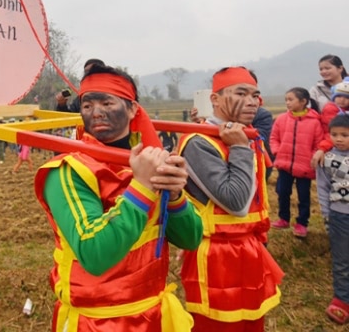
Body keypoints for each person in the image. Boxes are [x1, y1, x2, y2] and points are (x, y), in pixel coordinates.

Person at [34, 64, 203, 331]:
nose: (96, 112)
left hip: (154, 315)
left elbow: (191, 238)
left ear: (133, 108)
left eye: (106, 102)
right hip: (97, 321)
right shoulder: (68, 170)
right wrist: (143, 187)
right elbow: (95, 254)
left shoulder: (151, 159)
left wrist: (175, 196)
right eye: (87, 105)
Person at [178, 66, 284, 331]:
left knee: (250, 323)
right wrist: (238, 148)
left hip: (248, 246)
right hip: (218, 256)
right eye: (241, 93)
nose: (252, 102)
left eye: (255, 95)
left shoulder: (246, 135)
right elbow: (236, 203)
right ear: (215, 99)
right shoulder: (201, 142)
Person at [269, 87, 323, 238]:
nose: (287, 102)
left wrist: (311, 158)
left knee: (304, 196)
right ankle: (283, 218)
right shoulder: (281, 119)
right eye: (286, 99)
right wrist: (277, 151)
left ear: (303, 101)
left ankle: (302, 223)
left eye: (291, 99)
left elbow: (318, 143)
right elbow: (274, 138)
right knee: (282, 192)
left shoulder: (314, 122)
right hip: (284, 164)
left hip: (305, 166)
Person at [316, 114, 349, 325]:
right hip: (340, 216)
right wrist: (327, 214)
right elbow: (322, 188)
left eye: (345, 135)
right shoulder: (325, 159)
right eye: (334, 135)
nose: (339, 139)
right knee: (341, 260)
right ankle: (342, 299)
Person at [312, 77, 349, 168]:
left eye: (346, 97)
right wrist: (323, 148)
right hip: (331, 145)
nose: (342, 99)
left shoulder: (345, 110)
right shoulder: (331, 110)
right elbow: (331, 133)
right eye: (339, 96)